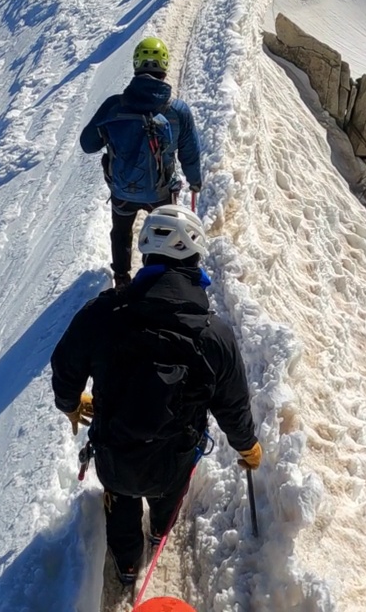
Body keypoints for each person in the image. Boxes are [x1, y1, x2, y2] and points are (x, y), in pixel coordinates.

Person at [51, 205, 262, 587]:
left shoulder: (101, 314)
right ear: (195, 259)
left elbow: (65, 367)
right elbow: (233, 404)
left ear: (145, 254)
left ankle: (128, 565)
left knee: (121, 507)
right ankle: (159, 532)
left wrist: (70, 403)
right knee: (166, 499)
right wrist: (247, 446)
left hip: (115, 457)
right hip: (173, 463)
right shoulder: (214, 335)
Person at [80, 37, 202, 289]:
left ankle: (122, 279)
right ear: (165, 68)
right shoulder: (177, 110)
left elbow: (88, 144)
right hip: (161, 192)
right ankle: (154, 279)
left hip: (122, 189)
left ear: (136, 67)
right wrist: (195, 181)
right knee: (161, 232)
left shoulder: (114, 105)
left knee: (121, 231)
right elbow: (189, 153)